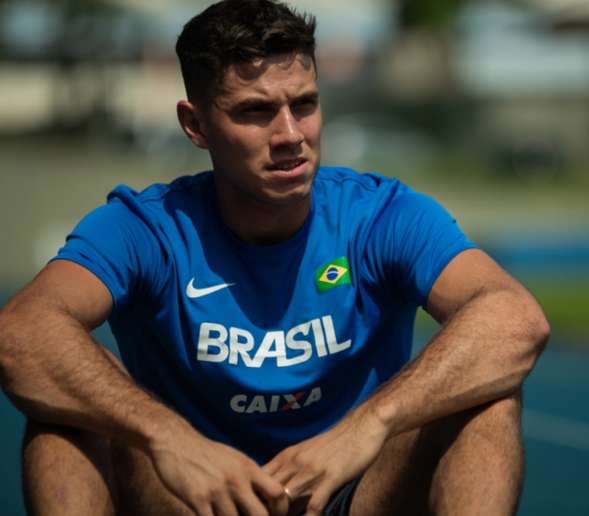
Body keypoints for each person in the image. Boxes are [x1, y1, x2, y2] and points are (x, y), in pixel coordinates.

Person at [0, 1, 550, 515]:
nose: (291, 135)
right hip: (192, 499)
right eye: (256, 111)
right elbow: (20, 334)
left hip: (352, 495)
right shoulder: (145, 227)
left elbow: (514, 318)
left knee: (486, 395)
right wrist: (167, 438)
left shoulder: (383, 214)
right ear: (196, 126)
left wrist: (369, 424)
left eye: (304, 104)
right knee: (64, 415)